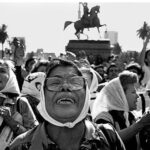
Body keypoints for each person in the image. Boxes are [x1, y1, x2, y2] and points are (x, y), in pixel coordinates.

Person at [7, 58, 125, 150]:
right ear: (43, 94)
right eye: (55, 83)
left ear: (86, 93)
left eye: (74, 82)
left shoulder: (108, 137)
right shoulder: (21, 145)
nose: (65, 87)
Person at [91, 70, 150, 150]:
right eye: (133, 92)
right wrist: (140, 124)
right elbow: (109, 139)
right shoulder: (104, 117)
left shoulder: (132, 116)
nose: (137, 96)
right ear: (120, 95)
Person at [0, 59, 38, 150]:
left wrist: (10, 120)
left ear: (11, 77)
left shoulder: (21, 103)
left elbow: (34, 135)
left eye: (2, 71)